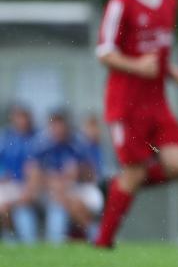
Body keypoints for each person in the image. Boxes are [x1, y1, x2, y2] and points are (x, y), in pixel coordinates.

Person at [93, 0, 178, 248]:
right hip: (126, 105)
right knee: (134, 173)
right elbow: (104, 51)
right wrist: (138, 67)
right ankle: (102, 242)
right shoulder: (121, 3)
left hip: (157, 104)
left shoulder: (169, 2)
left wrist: (169, 70)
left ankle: (117, 185)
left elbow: (157, 52)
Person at [35, 109, 103, 243]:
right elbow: (33, 173)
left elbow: (92, 175)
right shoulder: (41, 145)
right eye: (55, 126)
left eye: (61, 126)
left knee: (68, 203)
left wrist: (78, 171)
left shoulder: (78, 143)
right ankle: (98, 237)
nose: (58, 130)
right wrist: (50, 180)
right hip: (49, 192)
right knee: (60, 206)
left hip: (75, 189)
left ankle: (60, 242)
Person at [0, 103, 41, 244]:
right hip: (11, 184)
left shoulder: (37, 137)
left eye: (24, 117)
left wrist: (31, 188)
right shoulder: (6, 137)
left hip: (31, 186)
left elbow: (37, 167)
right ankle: (11, 237)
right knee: (4, 205)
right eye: (19, 117)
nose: (22, 121)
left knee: (23, 207)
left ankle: (27, 240)